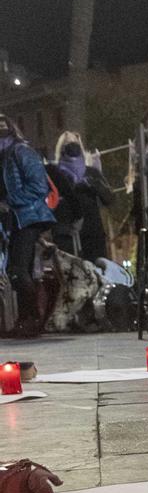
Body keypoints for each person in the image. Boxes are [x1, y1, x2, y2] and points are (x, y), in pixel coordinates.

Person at [0, 115, 55, 332]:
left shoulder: (21, 152)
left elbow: (39, 186)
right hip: (14, 219)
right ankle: (26, 319)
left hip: (28, 217)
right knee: (18, 271)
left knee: (18, 269)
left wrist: (10, 203)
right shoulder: (5, 156)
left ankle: (32, 318)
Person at [52, 130, 115, 261]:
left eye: (74, 143)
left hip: (92, 232)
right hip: (66, 233)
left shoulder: (91, 172)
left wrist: (95, 185)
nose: (71, 146)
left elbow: (109, 199)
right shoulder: (54, 174)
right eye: (67, 143)